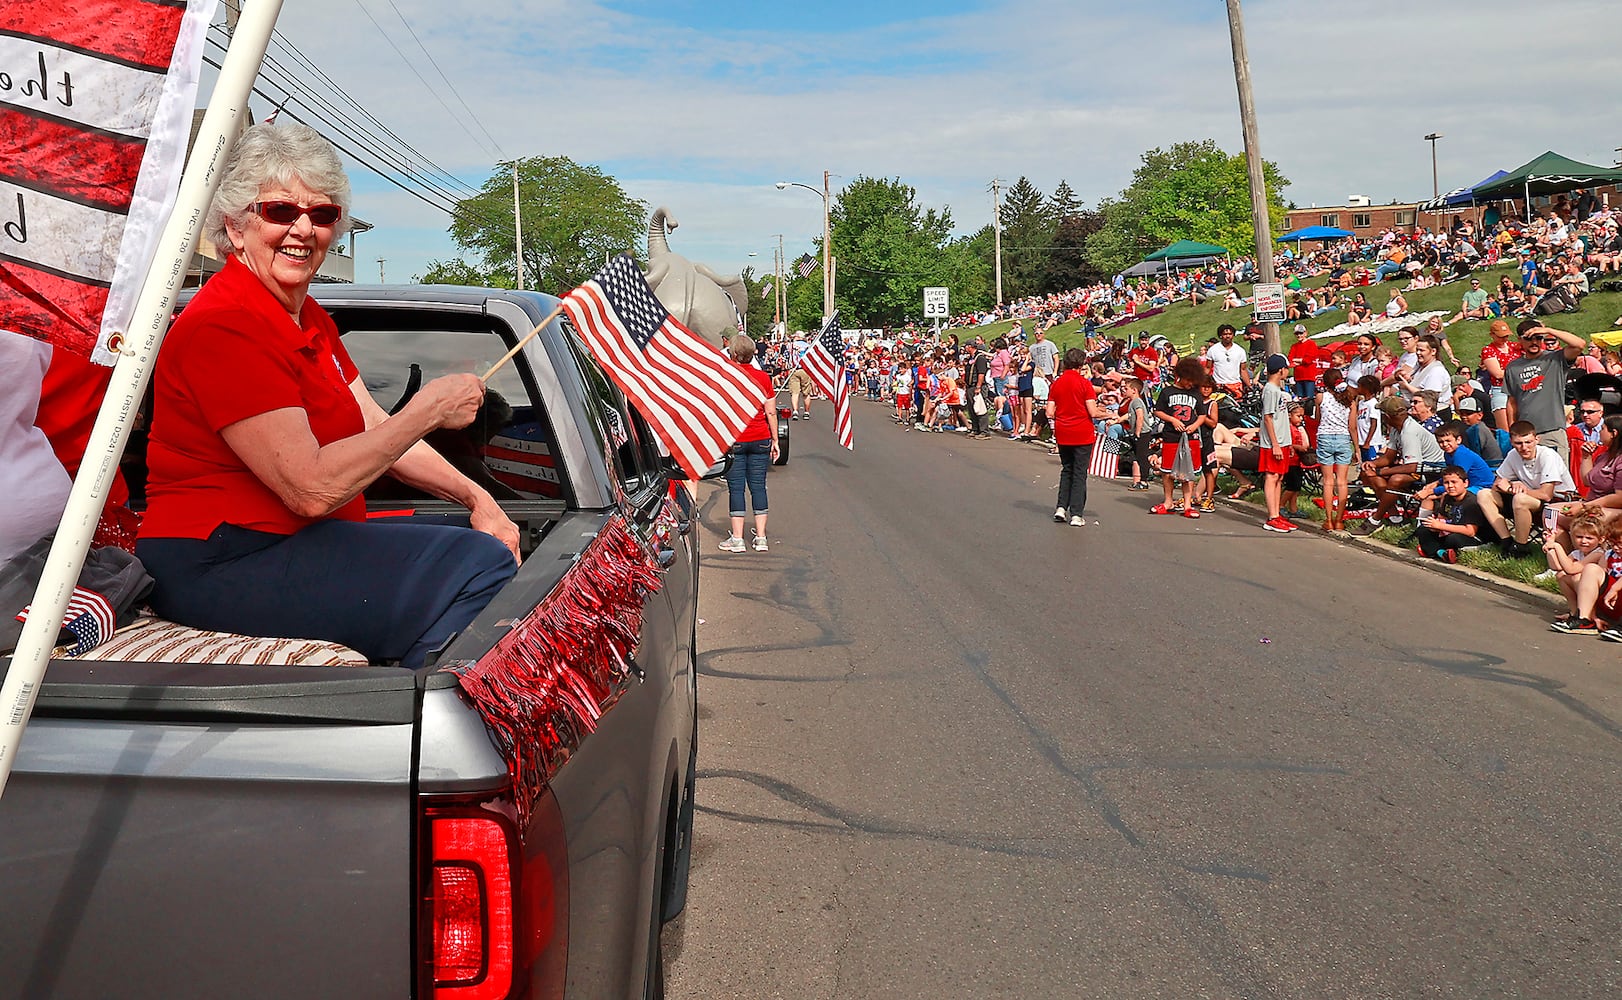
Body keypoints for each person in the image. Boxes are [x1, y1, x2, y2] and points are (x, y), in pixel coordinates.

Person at [135, 122, 518, 668]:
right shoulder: (224, 325)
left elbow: (371, 424)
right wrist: (428, 411)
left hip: (292, 541)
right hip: (220, 557)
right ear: (235, 227)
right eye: (279, 212)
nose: (303, 228)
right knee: (478, 565)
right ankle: (412, 718)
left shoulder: (306, 316)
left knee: (474, 535)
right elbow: (310, 490)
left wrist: (478, 499)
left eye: (322, 214)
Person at [1478, 421, 1577, 556]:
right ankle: (1506, 541)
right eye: (1519, 443)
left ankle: (1521, 547)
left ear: (1537, 439)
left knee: (1520, 499)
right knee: (1484, 494)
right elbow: (1497, 484)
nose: (1524, 447)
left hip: (1557, 502)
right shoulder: (1513, 454)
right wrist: (1513, 484)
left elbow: (1546, 494)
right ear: (1512, 442)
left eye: (1528, 442)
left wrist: (1514, 489)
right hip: (1529, 499)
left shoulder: (1547, 456)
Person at [718, 335, 780, 552]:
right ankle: (761, 537)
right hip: (760, 436)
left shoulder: (728, 377)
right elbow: (770, 411)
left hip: (736, 438)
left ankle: (737, 539)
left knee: (736, 488)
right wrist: (775, 439)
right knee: (758, 486)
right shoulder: (764, 378)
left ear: (733, 354)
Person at [1356, 396, 1447, 530]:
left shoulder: (1409, 431)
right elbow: (1388, 457)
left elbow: (1413, 466)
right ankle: (1395, 516)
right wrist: (1373, 464)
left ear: (1387, 416)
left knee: (1396, 479)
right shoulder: (1396, 429)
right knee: (1368, 473)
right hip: (1418, 467)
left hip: (1432, 470)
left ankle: (1376, 519)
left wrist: (1382, 471)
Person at [1504, 319, 1584, 463]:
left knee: (1558, 479)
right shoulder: (1512, 368)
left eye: (1538, 338)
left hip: (1552, 429)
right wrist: (1513, 431)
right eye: (1529, 338)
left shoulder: (1555, 358)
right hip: (1525, 436)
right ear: (1520, 340)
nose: (1534, 342)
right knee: (1531, 479)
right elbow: (1512, 402)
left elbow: (1579, 344)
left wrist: (1548, 331)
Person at [1047, 348, 1107, 526]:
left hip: (1063, 431)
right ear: (1081, 365)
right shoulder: (1084, 384)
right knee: (1080, 473)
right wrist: (1108, 414)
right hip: (1082, 432)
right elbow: (1093, 412)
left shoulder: (1056, 384)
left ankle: (1060, 507)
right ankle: (1076, 513)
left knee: (1067, 470)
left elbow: (1050, 412)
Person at [1148, 358, 1207, 518]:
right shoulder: (1167, 392)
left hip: (1191, 438)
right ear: (1181, 375)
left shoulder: (1195, 393)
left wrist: (1194, 426)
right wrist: (1172, 420)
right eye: (1189, 380)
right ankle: (1168, 501)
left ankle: (1187, 504)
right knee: (1167, 471)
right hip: (1171, 436)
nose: (1191, 384)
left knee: (1189, 472)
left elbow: (1202, 415)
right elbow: (1158, 411)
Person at [1544, 515, 1611, 634]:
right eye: (1579, 537)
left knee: (1575, 576)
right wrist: (1550, 548)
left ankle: (1587, 616)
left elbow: (1571, 568)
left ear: (1600, 540)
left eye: (1589, 538)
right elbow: (1557, 567)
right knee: (1561, 576)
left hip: (1600, 593)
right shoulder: (1577, 553)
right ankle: (1575, 613)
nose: (1583, 541)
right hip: (1587, 591)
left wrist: (1557, 547)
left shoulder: (1598, 553)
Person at [1414, 466, 1491, 563]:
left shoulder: (1471, 502)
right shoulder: (1447, 497)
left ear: (1465, 483)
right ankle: (1441, 553)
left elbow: (1470, 531)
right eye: (1446, 483)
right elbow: (1443, 518)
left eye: (1454, 482)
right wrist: (1435, 525)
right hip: (1451, 530)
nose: (1450, 486)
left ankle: (1432, 550)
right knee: (1423, 530)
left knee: (1452, 539)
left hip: (1473, 537)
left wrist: (1441, 526)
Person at [1258, 353, 1296, 533]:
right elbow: (1268, 418)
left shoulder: (1278, 390)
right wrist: (1274, 444)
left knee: (1279, 477)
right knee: (1272, 476)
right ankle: (1272, 517)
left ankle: (1277, 513)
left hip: (1283, 440)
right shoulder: (1270, 391)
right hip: (1274, 442)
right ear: (1281, 370)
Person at [1315, 371, 1357, 531]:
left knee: (1327, 481)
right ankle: (1339, 520)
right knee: (1342, 481)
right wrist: (1357, 448)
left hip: (1325, 437)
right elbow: (1352, 427)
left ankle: (1328, 520)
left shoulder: (1321, 397)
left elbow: (1318, 418)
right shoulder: (1350, 400)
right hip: (1343, 438)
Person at [1206, 323, 1249, 397]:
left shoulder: (1240, 350)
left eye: (1230, 334)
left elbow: (1243, 370)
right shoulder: (1213, 350)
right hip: (1219, 386)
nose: (1228, 336)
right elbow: (1207, 368)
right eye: (1225, 334)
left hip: (1236, 385)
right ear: (1221, 336)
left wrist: (1249, 385)